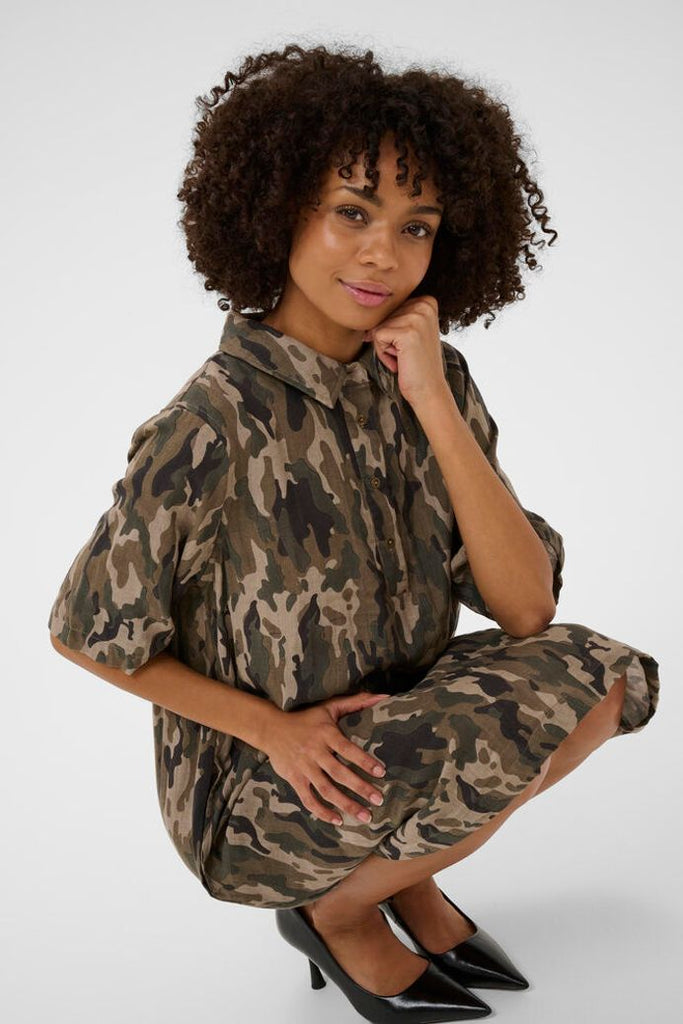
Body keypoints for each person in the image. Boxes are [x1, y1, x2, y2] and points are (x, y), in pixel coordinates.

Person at [48, 43, 660, 1022]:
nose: (384, 253)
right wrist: (272, 730)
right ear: (278, 209)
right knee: (499, 723)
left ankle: (399, 879)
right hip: (270, 785)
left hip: (393, 729)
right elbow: (83, 633)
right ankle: (333, 909)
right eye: (351, 212)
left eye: (415, 227)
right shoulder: (208, 424)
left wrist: (432, 400)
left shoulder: (429, 380)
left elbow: (523, 608)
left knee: (603, 675)